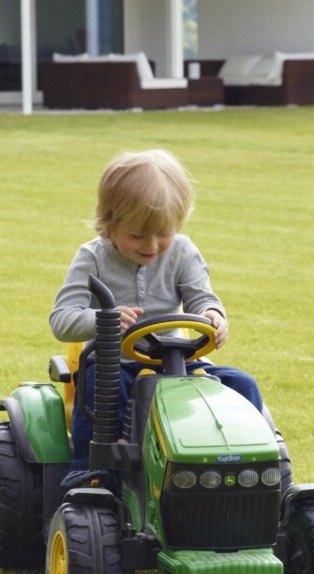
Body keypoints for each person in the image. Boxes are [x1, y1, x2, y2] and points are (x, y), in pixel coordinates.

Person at [50, 148, 263, 478]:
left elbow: (201, 298)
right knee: (94, 385)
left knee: (242, 384)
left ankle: (260, 469)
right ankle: (90, 473)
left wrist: (213, 314)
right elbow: (61, 319)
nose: (150, 245)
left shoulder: (183, 252)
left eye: (163, 233)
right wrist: (102, 320)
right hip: (116, 366)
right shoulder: (91, 258)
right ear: (109, 223)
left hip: (181, 363)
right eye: (136, 235)